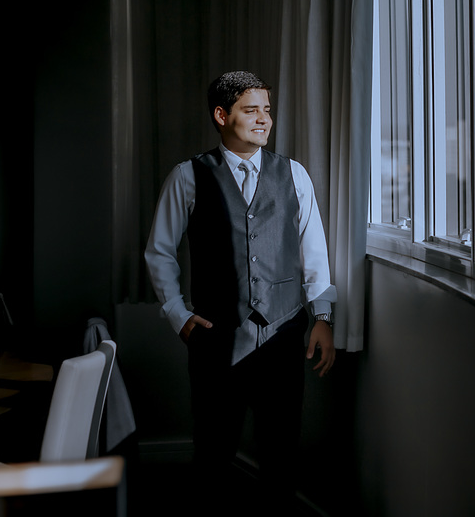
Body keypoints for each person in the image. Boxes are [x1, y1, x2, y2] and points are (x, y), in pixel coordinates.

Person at [144, 70, 336, 507]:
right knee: (213, 453)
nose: (264, 119)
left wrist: (322, 317)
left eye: (267, 110)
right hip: (216, 338)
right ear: (221, 115)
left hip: (285, 333)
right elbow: (158, 251)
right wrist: (178, 315)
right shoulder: (188, 176)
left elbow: (314, 252)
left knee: (280, 454)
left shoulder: (294, 174)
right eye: (251, 110)